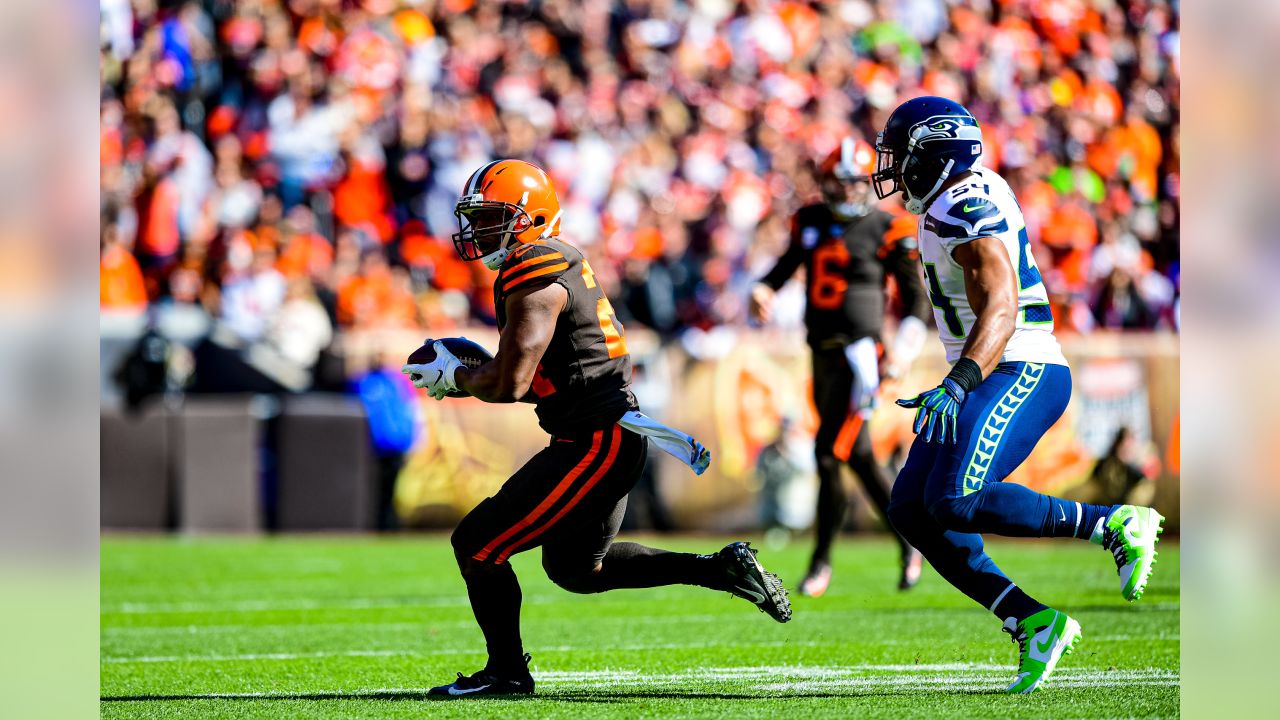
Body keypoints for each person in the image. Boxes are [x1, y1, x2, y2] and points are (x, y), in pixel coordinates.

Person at [401, 160, 791, 698]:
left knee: (477, 544)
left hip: (596, 441)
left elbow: (512, 382)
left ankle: (507, 674)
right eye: (477, 218)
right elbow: (534, 370)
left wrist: (461, 377)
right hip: (602, 434)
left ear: (529, 219)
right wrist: (474, 373)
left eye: (492, 218)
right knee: (576, 569)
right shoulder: (551, 262)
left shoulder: (534, 271)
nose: (480, 230)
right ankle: (720, 569)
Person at [872, 96, 1165, 694]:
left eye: (901, 157)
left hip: (1020, 366)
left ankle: (1113, 524)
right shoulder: (953, 198)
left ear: (933, 157)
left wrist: (958, 382)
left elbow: (1001, 307)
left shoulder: (964, 206)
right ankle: (1032, 620)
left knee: (953, 499)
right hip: (991, 367)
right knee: (909, 508)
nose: (894, 169)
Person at [749, 137, 930, 596]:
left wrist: (903, 352)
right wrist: (764, 288)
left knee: (830, 454)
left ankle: (821, 563)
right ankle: (911, 542)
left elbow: (915, 301)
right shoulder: (809, 220)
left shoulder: (888, 229)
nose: (847, 192)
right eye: (838, 183)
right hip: (822, 353)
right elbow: (787, 264)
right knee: (859, 457)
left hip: (861, 356)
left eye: (853, 183)